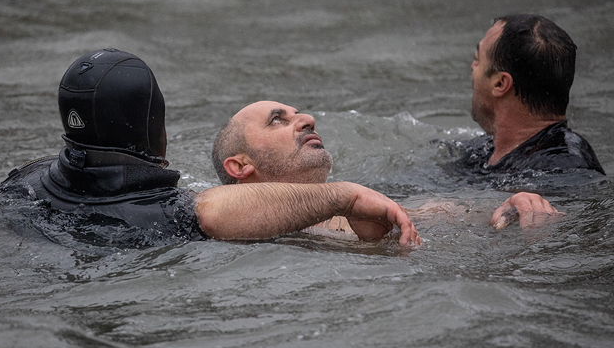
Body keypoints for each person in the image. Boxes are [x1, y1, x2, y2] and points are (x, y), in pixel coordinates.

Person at [0, 49, 421, 248]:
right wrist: (344, 195)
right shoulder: (166, 210)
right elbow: (209, 212)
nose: (306, 119)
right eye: (277, 119)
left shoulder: (25, 180)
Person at [212, 100, 559, 233]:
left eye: (297, 112)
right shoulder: (219, 225)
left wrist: (511, 205)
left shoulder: (358, 208)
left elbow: (436, 215)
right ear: (240, 166)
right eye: (277, 120)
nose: (307, 119)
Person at [452, 14, 604, 176]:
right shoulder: (483, 150)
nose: (472, 67)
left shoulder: (568, 168)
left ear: (500, 83)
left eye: (478, 60)